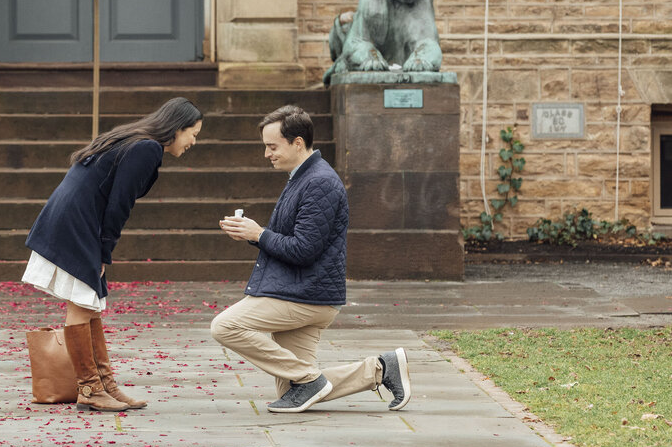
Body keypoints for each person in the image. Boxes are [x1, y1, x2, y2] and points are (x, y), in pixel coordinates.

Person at [212, 105, 410, 414]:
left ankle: (309, 379)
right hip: (301, 290)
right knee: (296, 389)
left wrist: (259, 234)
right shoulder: (303, 177)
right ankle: (382, 369)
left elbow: (304, 249)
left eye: (272, 146)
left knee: (224, 327)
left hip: (306, 295)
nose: (267, 154)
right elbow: (292, 242)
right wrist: (252, 235)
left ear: (298, 142)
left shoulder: (320, 182)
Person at [22, 97, 204, 412]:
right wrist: (105, 250)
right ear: (177, 128)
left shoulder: (135, 139)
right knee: (82, 302)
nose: (194, 142)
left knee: (89, 302)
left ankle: (105, 386)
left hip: (73, 218)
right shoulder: (146, 149)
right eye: (193, 133)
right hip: (79, 224)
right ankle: (91, 390)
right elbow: (119, 205)